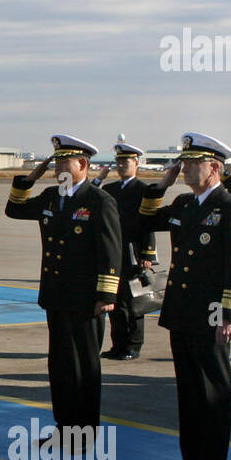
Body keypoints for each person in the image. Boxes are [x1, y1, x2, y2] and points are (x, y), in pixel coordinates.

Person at [139, 133, 231, 460]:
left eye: (192, 163)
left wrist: (229, 315)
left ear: (214, 167)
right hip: (182, 312)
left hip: (211, 314)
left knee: (212, 391)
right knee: (188, 391)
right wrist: (162, 184)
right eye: (183, 163)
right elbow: (142, 221)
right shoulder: (185, 205)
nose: (184, 168)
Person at [4, 135, 121, 437]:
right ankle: (64, 427)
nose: (57, 168)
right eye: (54, 162)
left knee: (84, 367)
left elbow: (110, 249)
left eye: (62, 162)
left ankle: (84, 432)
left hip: (85, 300)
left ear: (82, 164)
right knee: (60, 366)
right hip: (56, 295)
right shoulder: (51, 197)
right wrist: (29, 178)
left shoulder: (98, 201)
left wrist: (106, 294)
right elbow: (14, 209)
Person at [93, 139, 156, 360]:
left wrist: (148, 253)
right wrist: (98, 179)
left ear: (136, 163)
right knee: (115, 302)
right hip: (114, 253)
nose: (121, 165)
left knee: (135, 303)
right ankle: (118, 344)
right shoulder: (109, 189)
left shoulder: (144, 190)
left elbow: (149, 222)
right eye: (118, 161)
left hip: (133, 253)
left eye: (126, 161)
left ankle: (134, 345)